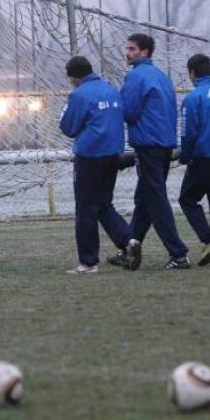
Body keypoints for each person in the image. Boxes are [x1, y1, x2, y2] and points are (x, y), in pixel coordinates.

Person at [113, 33, 189, 270]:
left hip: (148, 145)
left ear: (144, 52)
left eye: (132, 48)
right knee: (145, 199)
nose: (127, 52)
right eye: (127, 48)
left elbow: (129, 111)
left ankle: (178, 253)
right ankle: (129, 249)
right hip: (165, 143)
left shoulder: (136, 76)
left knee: (155, 199)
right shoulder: (161, 76)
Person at [59, 57, 141, 274]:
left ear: (73, 76)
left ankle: (88, 262)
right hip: (113, 154)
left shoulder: (79, 94)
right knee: (104, 204)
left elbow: (68, 126)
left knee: (85, 208)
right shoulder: (110, 89)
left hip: (89, 155)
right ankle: (128, 240)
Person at [177, 54, 210, 266]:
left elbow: (189, 133)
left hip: (203, 158)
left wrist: (186, 155)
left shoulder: (193, 98)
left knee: (187, 199)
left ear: (192, 73)